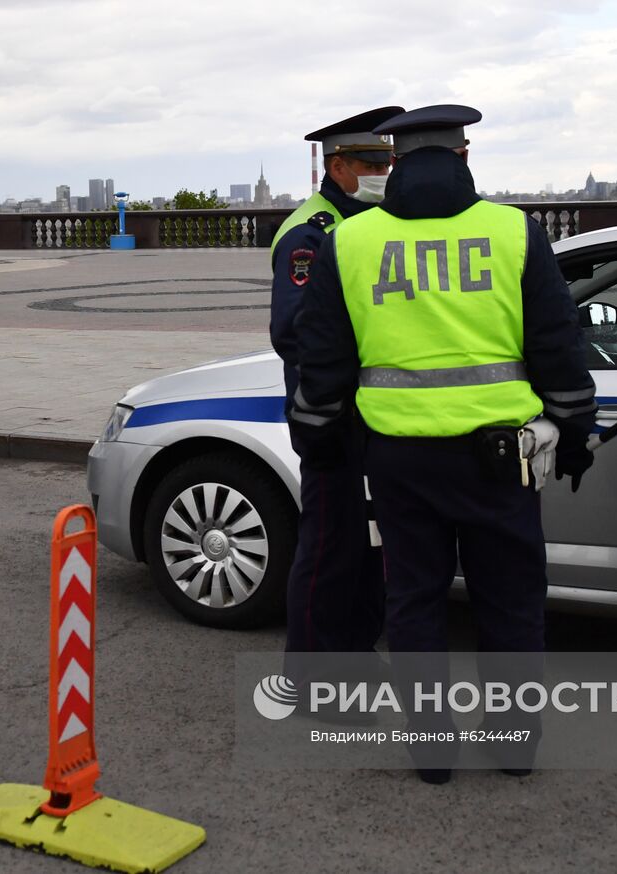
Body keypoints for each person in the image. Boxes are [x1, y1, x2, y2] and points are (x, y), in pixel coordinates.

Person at [289, 104, 598, 781]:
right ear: (463, 157)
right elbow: (557, 347)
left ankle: (432, 748)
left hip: (398, 460)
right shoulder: (514, 232)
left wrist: (320, 440)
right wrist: (574, 432)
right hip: (502, 458)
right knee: (511, 600)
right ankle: (514, 744)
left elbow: (324, 363)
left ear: (395, 163)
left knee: (415, 599)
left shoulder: (352, 242)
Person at [271, 106, 402, 656]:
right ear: (338, 165)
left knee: (371, 546)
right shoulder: (311, 231)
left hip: (376, 414)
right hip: (330, 416)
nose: (383, 172)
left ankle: (356, 650)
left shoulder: (373, 223)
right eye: (371, 162)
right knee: (328, 547)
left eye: (387, 160)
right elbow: (295, 331)